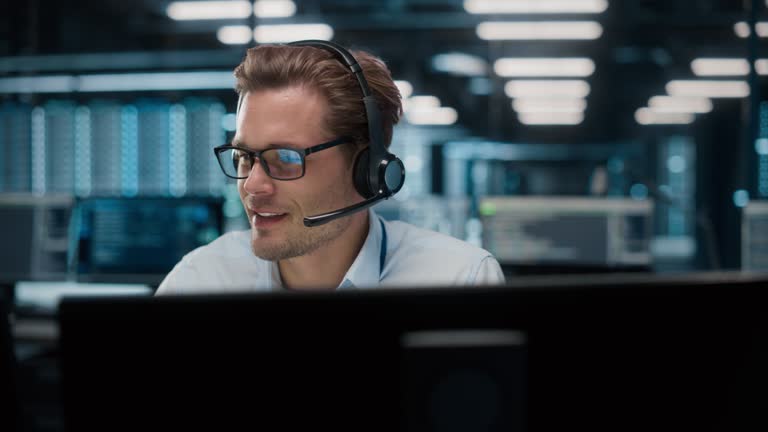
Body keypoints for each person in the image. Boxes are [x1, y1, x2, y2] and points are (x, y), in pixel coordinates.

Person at [155, 41, 504, 295]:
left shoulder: (458, 280)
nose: (251, 185)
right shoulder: (200, 280)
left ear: (365, 169)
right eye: (244, 157)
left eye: (285, 158)